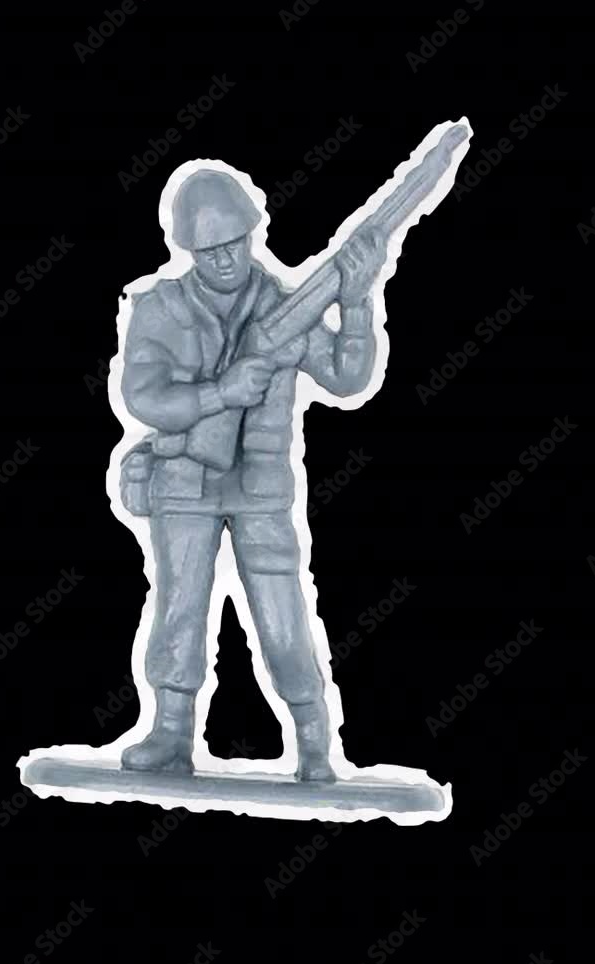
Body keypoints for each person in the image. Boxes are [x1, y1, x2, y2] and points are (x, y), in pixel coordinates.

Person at [119, 168, 386, 781]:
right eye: (209, 249)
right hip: (183, 483)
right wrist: (221, 393)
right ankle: (170, 731)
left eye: (234, 243)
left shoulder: (284, 309)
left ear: (252, 233)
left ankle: (314, 738)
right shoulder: (158, 308)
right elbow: (143, 396)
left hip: (261, 489)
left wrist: (355, 300)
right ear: (188, 250)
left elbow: (348, 380)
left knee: (281, 612)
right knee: (179, 608)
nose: (224, 259)